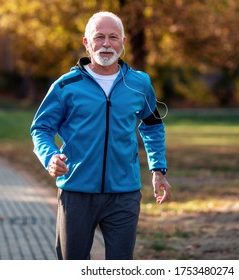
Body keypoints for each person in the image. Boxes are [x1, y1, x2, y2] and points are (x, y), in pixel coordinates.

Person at [30, 11, 171, 260]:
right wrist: (50, 156)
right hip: (76, 191)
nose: (106, 44)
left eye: (113, 37)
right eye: (99, 37)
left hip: (124, 193)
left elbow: (152, 125)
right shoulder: (65, 86)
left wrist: (157, 169)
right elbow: (40, 128)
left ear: (123, 42)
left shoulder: (139, 83)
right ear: (87, 43)